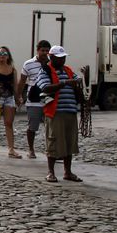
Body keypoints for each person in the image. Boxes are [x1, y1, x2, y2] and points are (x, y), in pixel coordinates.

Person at [37, 45, 83, 183]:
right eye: (59, 58)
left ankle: (67, 172)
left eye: (63, 58)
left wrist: (81, 81)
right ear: (52, 57)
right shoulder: (45, 70)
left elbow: (77, 83)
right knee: (53, 142)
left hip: (70, 110)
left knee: (70, 143)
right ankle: (50, 172)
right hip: (55, 111)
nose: (62, 60)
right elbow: (45, 87)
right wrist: (64, 83)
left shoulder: (68, 70)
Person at [16, 40, 52, 159]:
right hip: (34, 99)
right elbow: (22, 81)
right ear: (38, 50)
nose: (45, 53)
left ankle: (51, 150)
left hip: (48, 99)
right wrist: (19, 96)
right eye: (43, 50)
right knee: (32, 126)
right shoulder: (28, 64)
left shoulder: (51, 64)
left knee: (51, 127)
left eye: (47, 51)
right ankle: (31, 149)